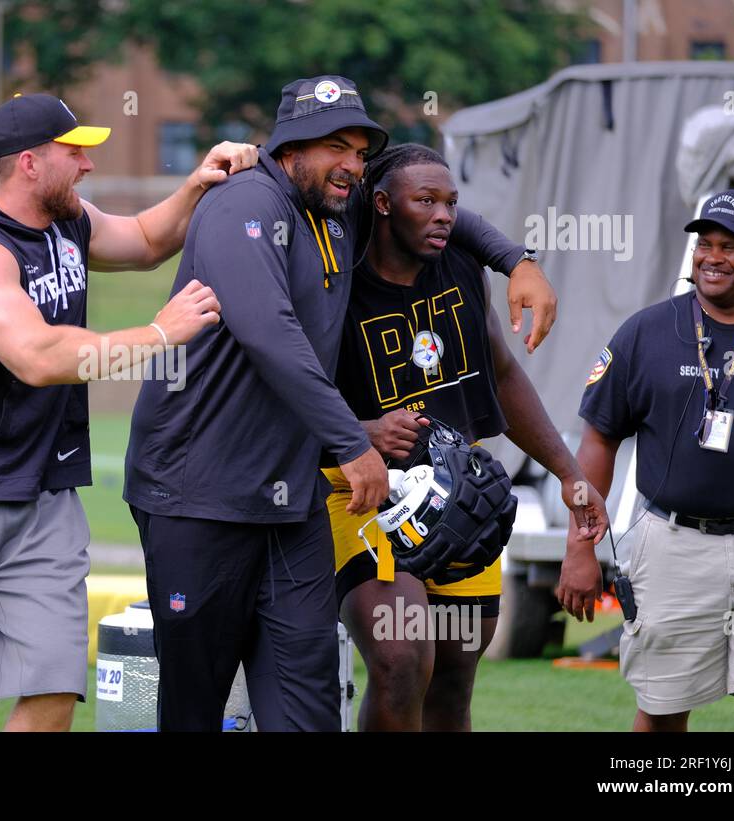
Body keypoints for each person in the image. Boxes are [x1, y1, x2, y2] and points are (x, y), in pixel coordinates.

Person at [122, 77, 560, 732]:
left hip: (290, 501)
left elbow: (432, 205)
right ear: (290, 147)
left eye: (360, 151)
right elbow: (270, 334)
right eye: (336, 147)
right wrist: (354, 442)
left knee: (308, 707)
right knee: (195, 704)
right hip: (198, 494)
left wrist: (515, 259)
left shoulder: (336, 206)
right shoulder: (245, 203)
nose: (352, 165)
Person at [0, 93, 249, 732]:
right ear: (30, 164)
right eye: (75, 152)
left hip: (42, 491)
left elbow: (149, 239)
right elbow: (36, 356)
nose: (89, 164)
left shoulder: (71, 222)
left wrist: (198, 184)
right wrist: (158, 335)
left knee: (54, 688)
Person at [326, 144, 607, 731]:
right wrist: (361, 431)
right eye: (424, 202)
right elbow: (293, 387)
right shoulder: (335, 278)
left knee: (453, 681)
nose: (443, 215)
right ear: (380, 205)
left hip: (461, 494)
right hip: (364, 493)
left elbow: (502, 376)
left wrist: (569, 474)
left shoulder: (460, 266)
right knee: (403, 658)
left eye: (451, 203)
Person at [560, 189, 734, 732]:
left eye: (730, 246)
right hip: (673, 545)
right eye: (704, 244)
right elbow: (597, 443)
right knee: (661, 710)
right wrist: (580, 546)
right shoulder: (646, 332)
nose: (712, 256)